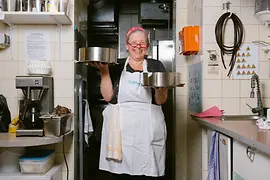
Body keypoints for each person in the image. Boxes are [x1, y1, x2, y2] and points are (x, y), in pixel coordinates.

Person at [89, 26, 168, 180]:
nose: (138, 47)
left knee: (147, 172)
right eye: (134, 43)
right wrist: (104, 72)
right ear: (127, 45)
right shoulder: (115, 65)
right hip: (121, 132)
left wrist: (160, 89)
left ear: (147, 46)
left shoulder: (156, 66)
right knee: (122, 174)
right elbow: (108, 96)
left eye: (142, 43)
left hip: (147, 131)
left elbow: (160, 101)